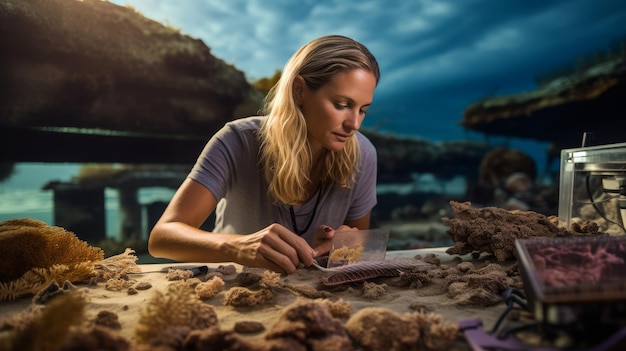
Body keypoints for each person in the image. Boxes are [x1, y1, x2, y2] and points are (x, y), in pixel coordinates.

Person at [148, 34, 381, 275]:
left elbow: (358, 247)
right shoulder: (236, 141)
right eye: (342, 105)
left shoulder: (364, 154)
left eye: (363, 110)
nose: (354, 124)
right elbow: (162, 237)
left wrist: (346, 244)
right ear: (299, 91)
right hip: (235, 290)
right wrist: (239, 246)